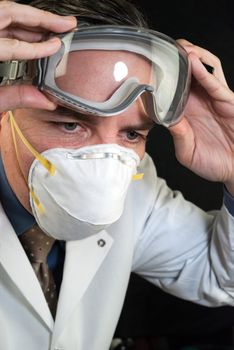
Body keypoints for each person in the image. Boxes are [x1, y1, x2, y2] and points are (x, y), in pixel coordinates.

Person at [0, 1, 234, 350]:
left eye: (132, 135)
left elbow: (222, 278)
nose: (102, 161)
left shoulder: (135, 189)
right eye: (71, 123)